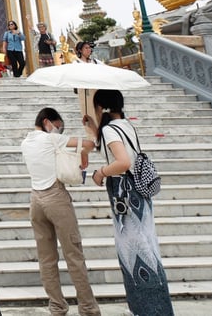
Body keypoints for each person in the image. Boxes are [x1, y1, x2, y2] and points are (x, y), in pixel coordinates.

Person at [89, 89, 174, 316]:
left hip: (123, 192)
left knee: (134, 252)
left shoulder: (109, 130)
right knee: (147, 249)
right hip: (138, 192)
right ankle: (153, 308)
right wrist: (93, 128)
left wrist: (101, 172)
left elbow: (123, 162)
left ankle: (149, 310)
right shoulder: (125, 125)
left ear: (102, 107)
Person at [20, 107, 101, 316]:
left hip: (35, 200)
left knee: (46, 258)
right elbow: (92, 145)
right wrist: (91, 127)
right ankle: (88, 308)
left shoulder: (26, 142)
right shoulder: (50, 140)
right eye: (57, 127)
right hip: (55, 197)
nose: (58, 131)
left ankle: (57, 306)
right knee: (73, 253)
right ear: (47, 122)